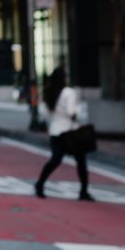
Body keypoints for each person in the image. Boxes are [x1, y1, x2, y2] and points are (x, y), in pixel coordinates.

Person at [34, 65, 94, 202]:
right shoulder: (68, 92)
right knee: (81, 162)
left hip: (55, 131)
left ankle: (40, 184)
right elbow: (71, 112)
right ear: (64, 78)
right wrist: (78, 113)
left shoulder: (48, 92)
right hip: (70, 133)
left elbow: (44, 113)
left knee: (55, 160)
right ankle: (83, 191)